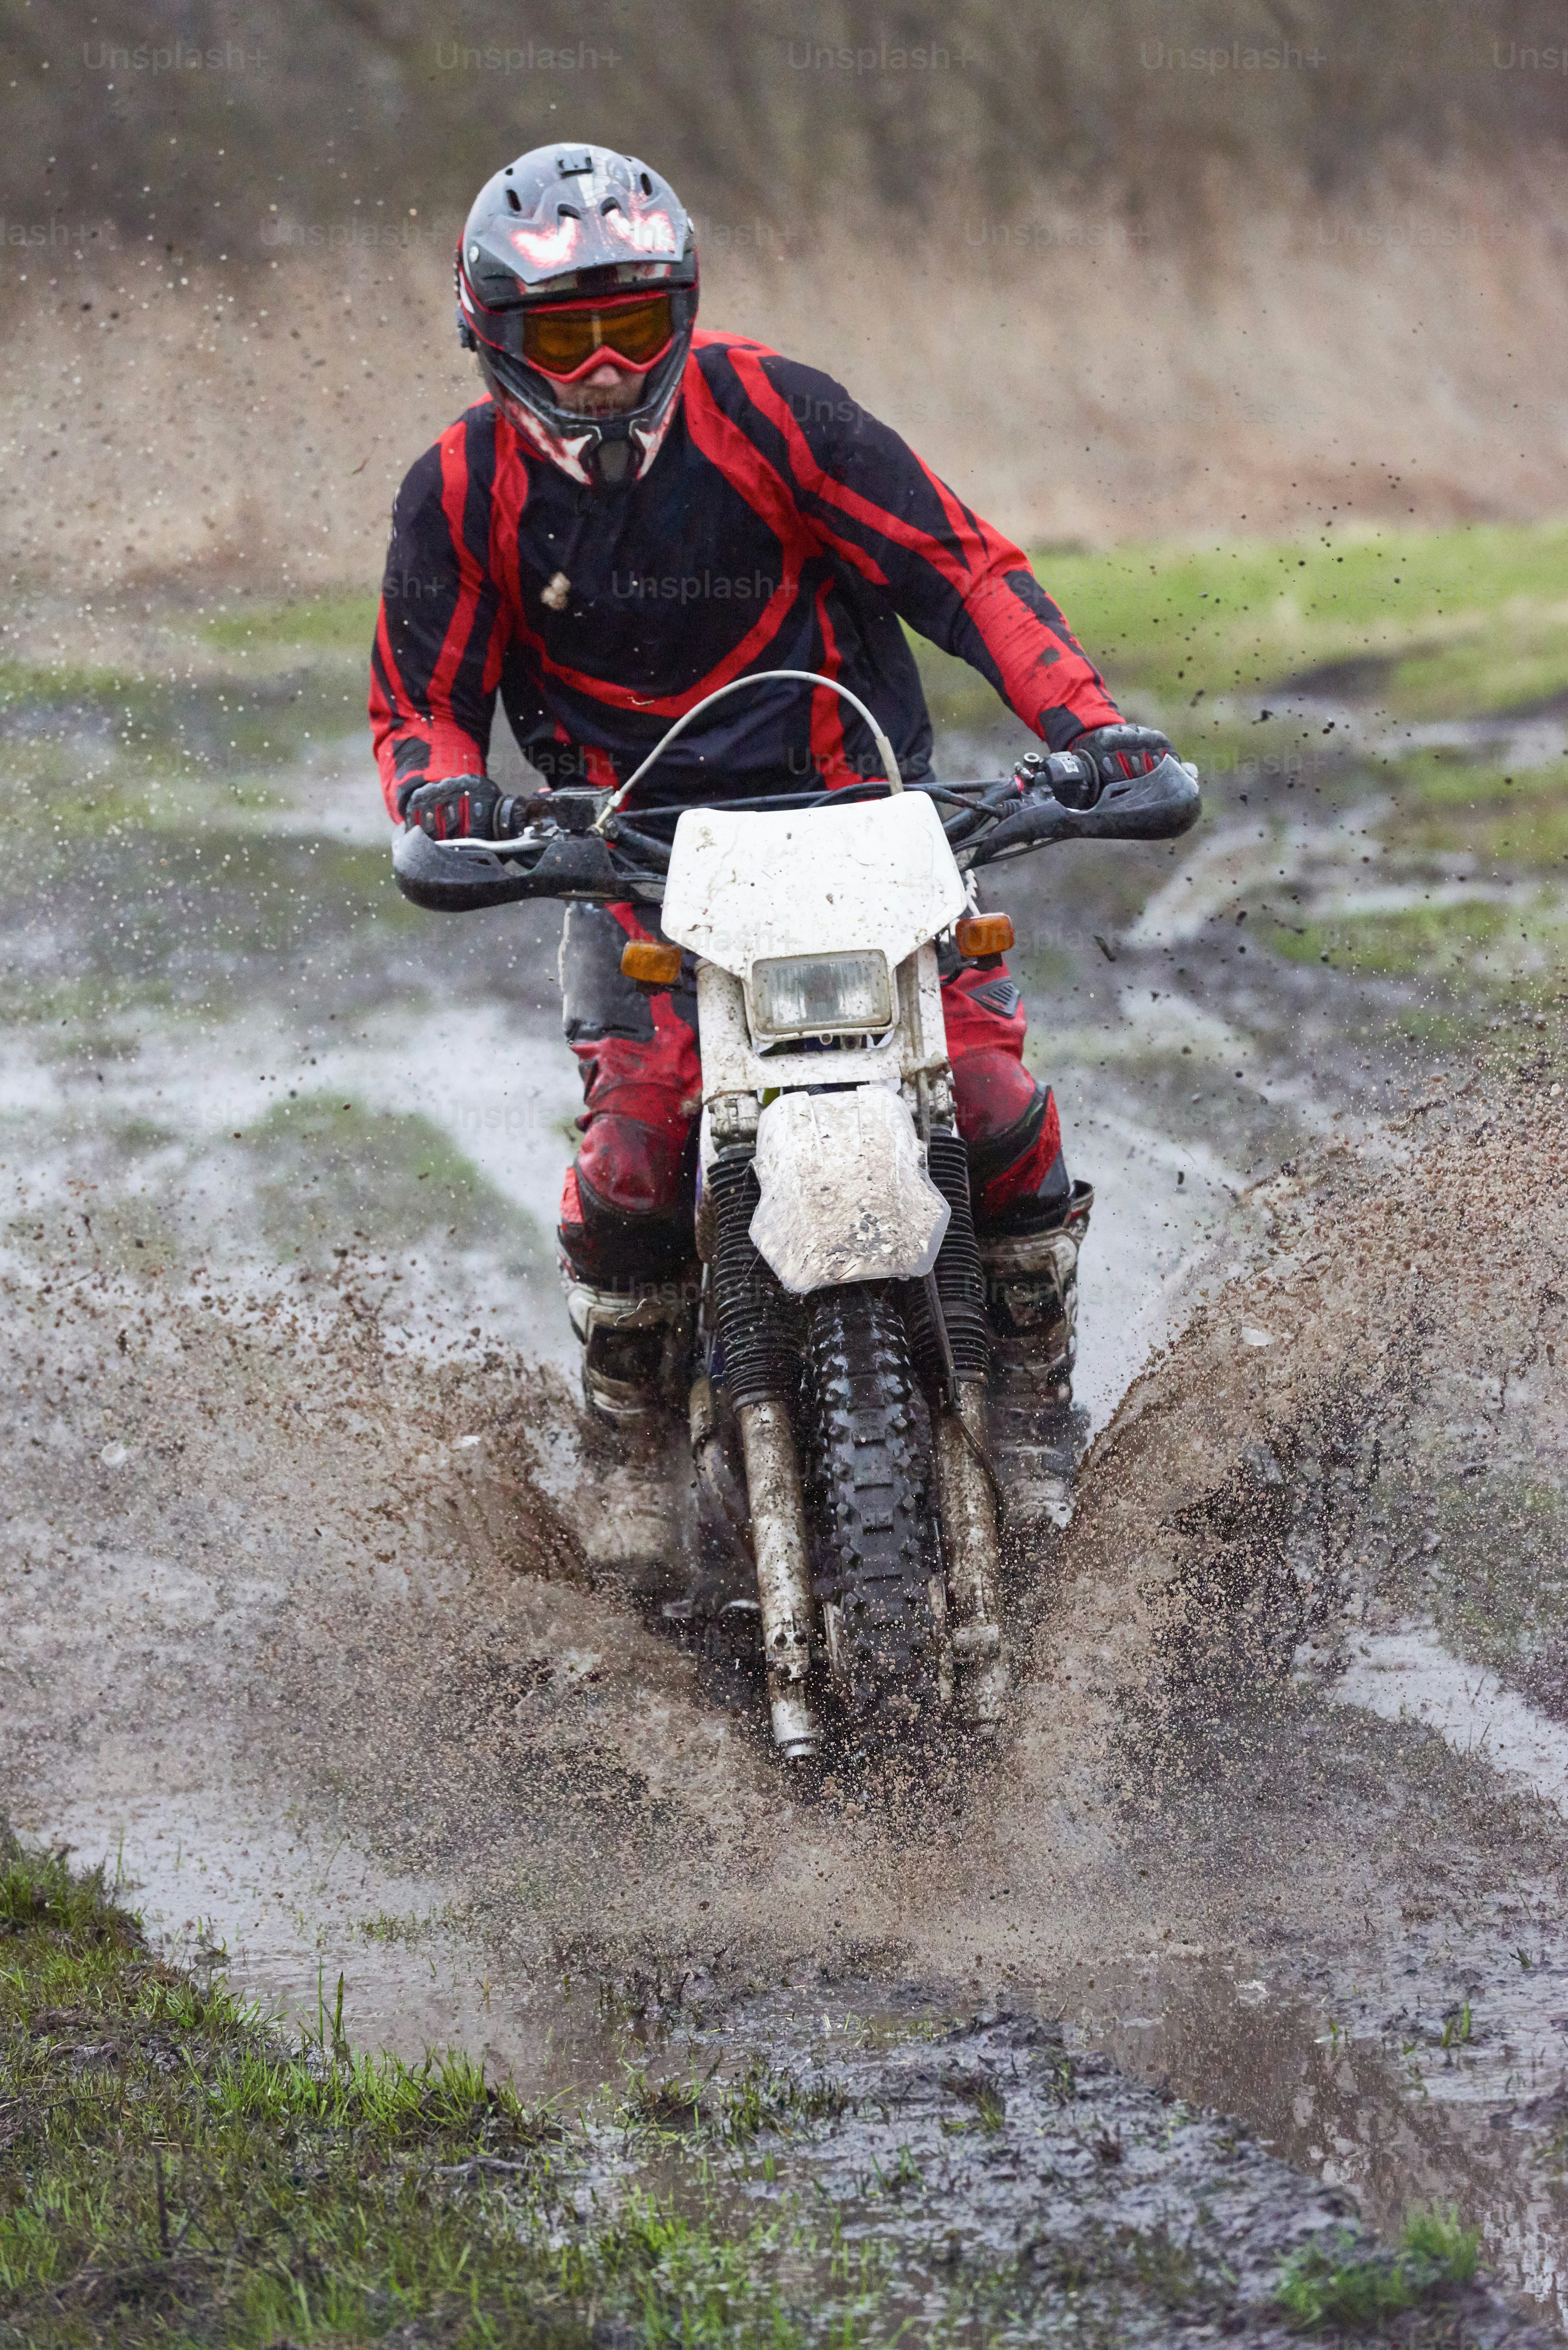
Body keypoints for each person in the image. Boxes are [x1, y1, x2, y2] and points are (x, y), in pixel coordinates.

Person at [371, 143, 1170, 1423]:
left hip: (863, 832)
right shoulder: (462, 492)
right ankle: (630, 1438)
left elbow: (957, 569)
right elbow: (422, 709)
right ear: (493, 338)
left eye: (631, 325)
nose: (606, 372)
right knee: (632, 1164)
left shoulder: (774, 410)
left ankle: (1030, 1376)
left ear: (680, 311)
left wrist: (1089, 723)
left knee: (992, 1108)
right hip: (633, 864)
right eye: (566, 339)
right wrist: (444, 802)